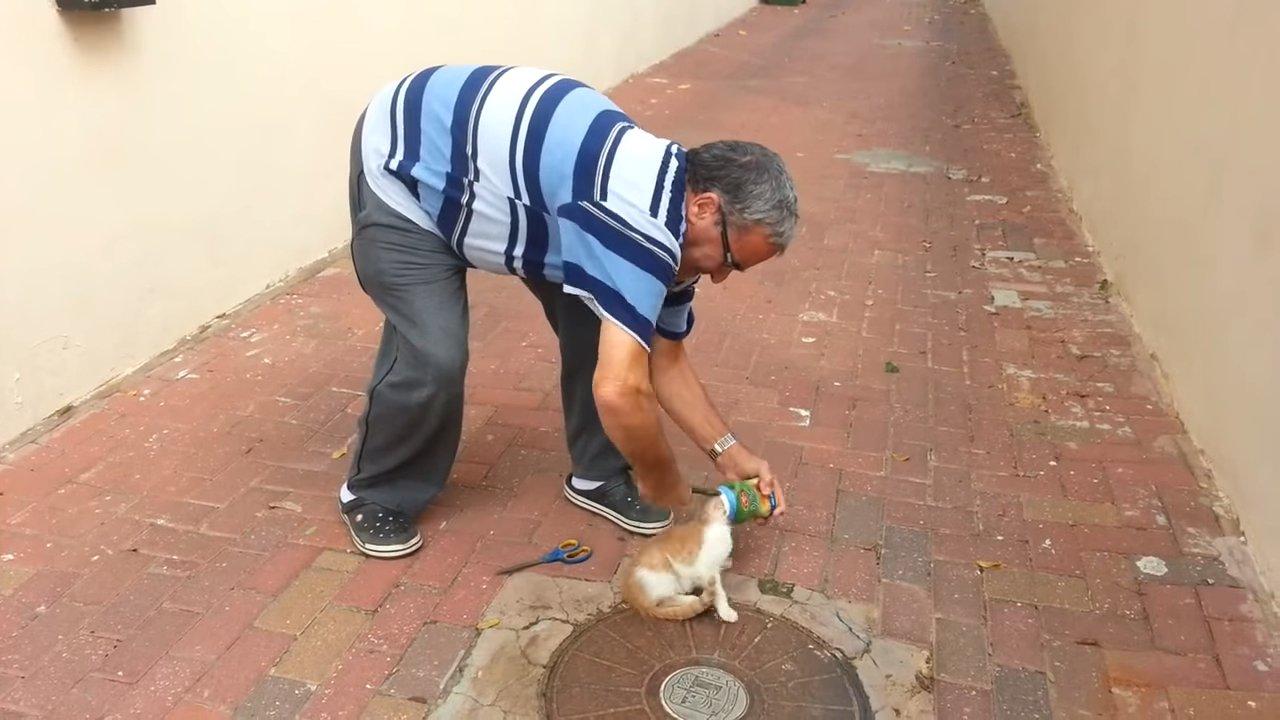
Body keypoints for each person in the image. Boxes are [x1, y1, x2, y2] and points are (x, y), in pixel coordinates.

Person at [339, 64, 798, 558]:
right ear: (704, 207)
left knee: (609, 326)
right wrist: (661, 476)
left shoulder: (676, 222)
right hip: (409, 164)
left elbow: (663, 358)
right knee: (433, 352)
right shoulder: (634, 217)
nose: (720, 277)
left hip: (508, 194)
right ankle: (377, 492)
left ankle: (597, 474)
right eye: (730, 260)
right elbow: (619, 390)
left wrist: (730, 454)